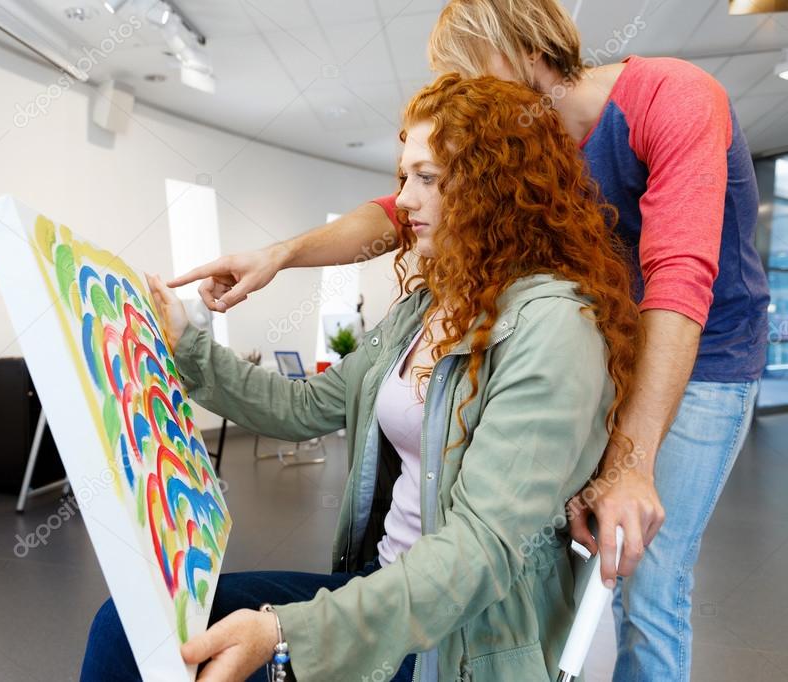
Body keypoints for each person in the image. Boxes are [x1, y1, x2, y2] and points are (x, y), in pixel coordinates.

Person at [169, 2, 770, 679]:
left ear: (520, 50)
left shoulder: (673, 97)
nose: (463, 92)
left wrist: (628, 462)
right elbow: (401, 211)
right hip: (609, 338)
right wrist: (278, 255)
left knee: (646, 581)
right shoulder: (521, 151)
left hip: (703, 349)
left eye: (466, 70)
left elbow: (678, 282)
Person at [81, 73, 641, 682]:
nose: (402, 201)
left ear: (496, 187)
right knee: (130, 627)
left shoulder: (555, 327)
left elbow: (479, 555)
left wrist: (285, 633)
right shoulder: (427, 308)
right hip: (381, 590)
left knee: (161, 646)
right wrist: (186, 343)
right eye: (405, 177)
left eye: (427, 178)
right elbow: (301, 406)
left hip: (457, 646)